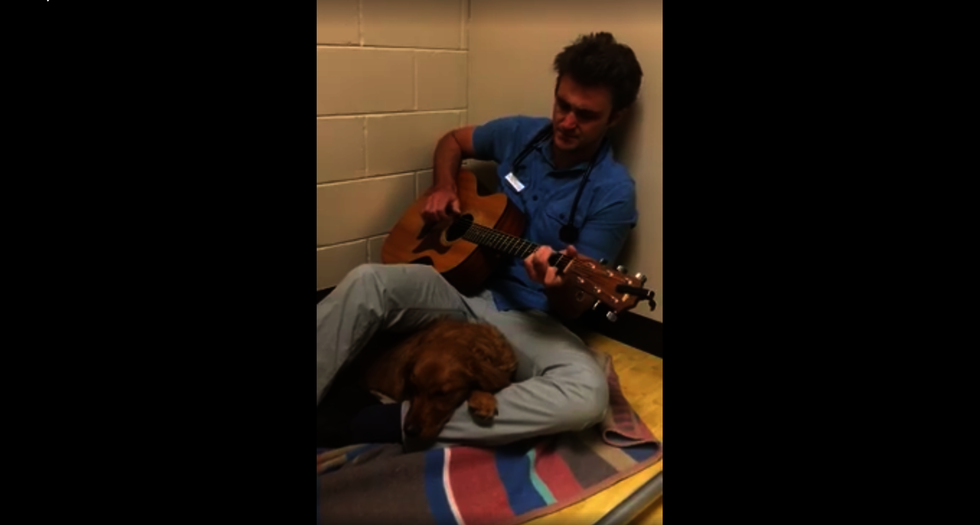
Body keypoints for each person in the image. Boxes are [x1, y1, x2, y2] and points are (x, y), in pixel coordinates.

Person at [317, 31, 643, 449]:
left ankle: (375, 422)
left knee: (587, 395)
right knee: (368, 281)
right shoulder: (521, 133)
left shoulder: (613, 192)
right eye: (562, 104)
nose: (566, 122)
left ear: (615, 118)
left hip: (530, 320)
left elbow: (575, 304)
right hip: (460, 286)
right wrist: (444, 187)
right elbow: (452, 141)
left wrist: (556, 288)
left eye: (585, 114)